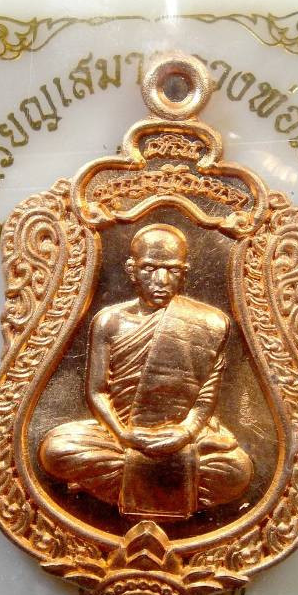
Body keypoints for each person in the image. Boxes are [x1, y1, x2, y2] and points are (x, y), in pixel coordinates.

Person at [39, 223, 253, 520]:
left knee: (238, 471)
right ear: (132, 270)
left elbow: (206, 399)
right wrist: (124, 435)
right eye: (150, 269)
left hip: (184, 435)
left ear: (184, 272)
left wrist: (184, 433)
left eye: (172, 270)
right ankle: (170, 483)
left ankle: (122, 483)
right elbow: (97, 392)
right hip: (120, 434)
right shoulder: (109, 321)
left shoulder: (210, 322)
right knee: (55, 450)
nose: (161, 280)